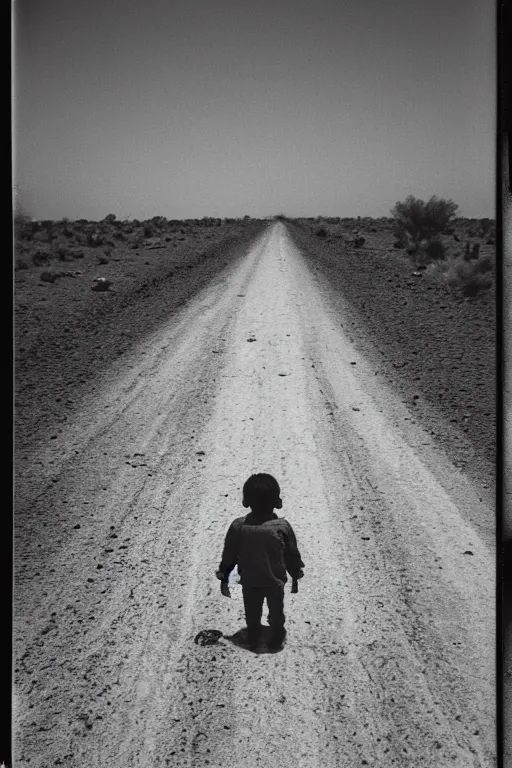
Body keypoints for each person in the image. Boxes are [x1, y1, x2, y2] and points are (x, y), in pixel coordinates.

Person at [216, 473, 304, 650]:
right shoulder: (282, 527)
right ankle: (277, 635)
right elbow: (291, 554)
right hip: (275, 582)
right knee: (276, 612)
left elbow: (229, 555)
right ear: (277, 501)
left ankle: (254, 635)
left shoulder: (238, 527)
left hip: (250, 582)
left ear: (246, 500)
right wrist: (295, 574)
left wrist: (224, 575)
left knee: (252, 612)